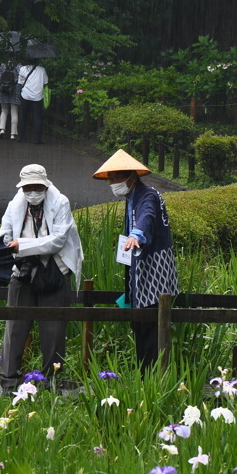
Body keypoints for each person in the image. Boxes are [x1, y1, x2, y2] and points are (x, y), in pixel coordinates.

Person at [0, 164, 83, 393]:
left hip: (55, 271)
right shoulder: (15, 205)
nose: (33, 192)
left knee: (53, 329)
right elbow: (5, 233)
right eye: (28, 188)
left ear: (46, 185)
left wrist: (22, 245)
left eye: (37, 187)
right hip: (23, 271)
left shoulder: (60, 202)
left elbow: (57, 240)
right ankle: (9, 383)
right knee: (14, 327)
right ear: (22, 188)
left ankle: (50, 383)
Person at [93, 149, 179, 371]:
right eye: (110, 179)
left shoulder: (148, 195)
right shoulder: (131, 197)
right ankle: (144, 375)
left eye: (117, 178)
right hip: (139, 268)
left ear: (131, 176)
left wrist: (135, 235)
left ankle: (154, 375)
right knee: (139, 323)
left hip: (154, 267)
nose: (113, 183)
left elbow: (147, 217)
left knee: (151, 320)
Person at [17, 61, 49, 144]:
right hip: (38, 97)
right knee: (38, 118)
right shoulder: (42, 69)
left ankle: (22, 137)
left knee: (23, 117)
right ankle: (37, 139)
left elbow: (20, 83)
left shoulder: (22, 69)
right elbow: (46, 83)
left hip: (25, 95)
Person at [0, 62, 21, 140]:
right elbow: (21, 79)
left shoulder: (3, 65)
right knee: (14, 112)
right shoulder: (19, 65)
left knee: (4, 110)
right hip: (15, 91)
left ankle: (2, 129)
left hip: (3, 90)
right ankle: (12, 134)